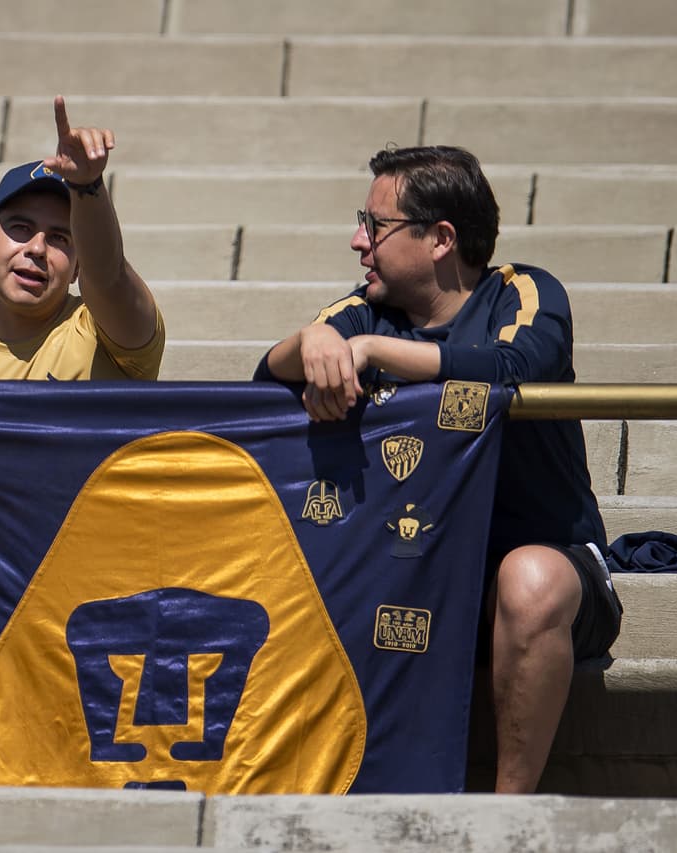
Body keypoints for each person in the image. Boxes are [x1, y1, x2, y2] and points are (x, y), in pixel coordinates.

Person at [253, 145, 622, 793]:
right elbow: (268, 375)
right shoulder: (361, 308)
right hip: (415, 585)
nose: (356, 242)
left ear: (440, 239)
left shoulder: (524, 291)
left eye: (375, 225)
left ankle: (507, 821)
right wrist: (311, 342)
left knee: (528, 577)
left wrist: (368, 350)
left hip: (549, 578)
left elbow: (515, 370)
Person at [0, 96, 164, 380]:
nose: (38, 248)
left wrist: (86, 185)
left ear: (79, 265)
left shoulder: (104, 332)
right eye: (21, 228)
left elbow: (108, 277)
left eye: (60, 238)